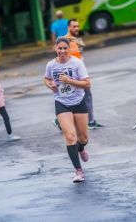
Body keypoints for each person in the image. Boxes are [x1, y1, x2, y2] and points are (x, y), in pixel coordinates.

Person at [44, 37, 91, 183]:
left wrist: (70, 81)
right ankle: (78, 171)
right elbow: (46, 78)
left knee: (83, 138)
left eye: (65, 48)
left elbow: (88, 84)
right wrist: (49, 85)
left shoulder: (77, 63)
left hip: (78, 101)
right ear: (55, 49)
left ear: (69, 49)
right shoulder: (51, 65)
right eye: (60, 48)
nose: (62, 51)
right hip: (61, 102)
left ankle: (81, 148)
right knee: (70, 136)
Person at [53, 19, 104, 130]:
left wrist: (83, 72)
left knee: (85, 96)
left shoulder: (79, 40)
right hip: (70, 76)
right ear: (68, 27)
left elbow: (80, 57)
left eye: (77, 26)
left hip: (80, 74)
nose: (76, 28)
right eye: (74, 26)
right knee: (72, 97)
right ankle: (89, 121)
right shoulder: (64, 41)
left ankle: (88, 121)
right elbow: (61, 58)